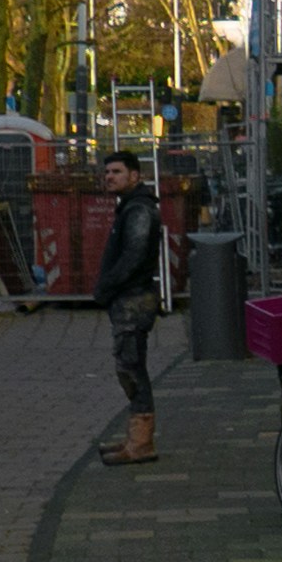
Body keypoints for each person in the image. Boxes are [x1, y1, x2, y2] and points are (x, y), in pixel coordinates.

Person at [94, 153, 165, 466]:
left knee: (132, 368)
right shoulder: (133, 206)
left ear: (134, 176)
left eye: (117, 172)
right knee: (129, 367)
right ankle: (137, 438)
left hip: (133, 300)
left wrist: (107, 285)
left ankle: (141, 443)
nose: (109, 176)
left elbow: (134, 255)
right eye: (107, 171)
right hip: (131, 298)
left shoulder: (138, 209)